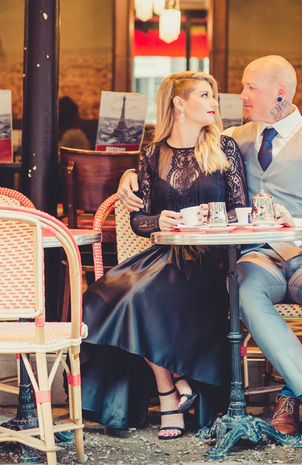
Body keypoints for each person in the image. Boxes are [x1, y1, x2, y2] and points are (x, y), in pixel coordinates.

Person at [116, 56, 302, 452]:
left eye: (249, 87)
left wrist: (300, 228)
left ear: (278, 93)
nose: (240, 95)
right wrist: (129, 175)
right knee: (243, 292)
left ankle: (290, 398)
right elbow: (178, 155)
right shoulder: (232, 138)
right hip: (258, 257)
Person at [81, 71, 248, 439]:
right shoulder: (151, 154)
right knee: (101, 296)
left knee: (142, 298)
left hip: (212, 259)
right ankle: (171, 389)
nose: (214, 104)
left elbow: (241, 208)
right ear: (179, 104)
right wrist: (163, 219)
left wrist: (209, 218)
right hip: (165, 255)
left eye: (213, 96)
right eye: (205, 95)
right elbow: (139, 220)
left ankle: (170, 395)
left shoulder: (225, 148)